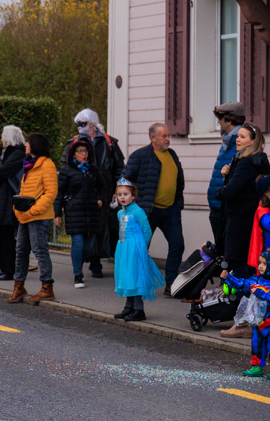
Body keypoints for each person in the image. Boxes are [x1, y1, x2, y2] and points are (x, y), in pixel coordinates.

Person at [122, 123, 185, 295]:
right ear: (153, 137)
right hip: (147, 211)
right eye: (163, 136)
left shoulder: (171, 154)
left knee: (177, 245)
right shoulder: (140, 156)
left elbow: (179, 180)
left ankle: (171, 285)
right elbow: (124, 180)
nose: (167, 139)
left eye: (168, 136)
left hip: (170, 210)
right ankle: (134, 286)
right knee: (140, 248)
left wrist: (178, 202)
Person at [63, 109, 125, 274]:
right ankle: (93, 262)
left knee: (106, 226)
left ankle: (106, 259)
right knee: (88, 227)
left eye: (82, 123)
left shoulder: (108, 142)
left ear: (92, 123)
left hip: (106, 191)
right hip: (83, 192)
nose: (79, 127)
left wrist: (118, 187)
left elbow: (119, 167)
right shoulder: (75, 143)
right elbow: (66, 166)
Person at [7, 132, 58, 304]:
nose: (26, 145)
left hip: (39, 216)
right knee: (21, 251)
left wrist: (34, 210)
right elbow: (24, 192)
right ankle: (19, 287)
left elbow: (50, 193)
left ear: (35, 145)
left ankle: (47, 288)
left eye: (28, 142)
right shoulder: (29, 165)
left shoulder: (47, 165)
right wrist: (17, 209)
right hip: (24, 216)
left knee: (39, 250)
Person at [221, 250, 270, 379]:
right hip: (258, 321)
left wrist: (260, 293)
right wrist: (228, 278)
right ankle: (257, 366)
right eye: (259, 263)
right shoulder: (255, 279)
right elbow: (242, 284)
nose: (261, 266)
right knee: (257, 345)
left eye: (264, 263)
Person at [217, 123, 270, 279]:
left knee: (239, 267)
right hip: (253, 218)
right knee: (250, 265)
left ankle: (242, 302)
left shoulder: (245, 163)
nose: (237, 140)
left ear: (253, 141)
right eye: (237, 136)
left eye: (242, 137)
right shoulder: (260, 162)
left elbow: (231, 191)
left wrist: (220, 190)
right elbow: (247, 188)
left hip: (239, 221)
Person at [112, 178, 165, 321]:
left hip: (135, 248)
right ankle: (128, 307)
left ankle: (138, 309)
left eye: (126, 194)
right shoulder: (120, 213)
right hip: (124, 248)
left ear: (133, 196)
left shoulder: (138, 212)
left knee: (135, 276)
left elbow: (146, 230)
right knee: (126, 276)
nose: (122, 197)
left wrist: (143, 247)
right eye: (119, 194)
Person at [55, 138, 103, 288]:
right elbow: (59, 193)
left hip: (92, 213)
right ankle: (77, 274)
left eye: (86, 151)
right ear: (73, 154)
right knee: (78, 243)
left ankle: (78, 265)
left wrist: (100, 199)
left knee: (88, 247)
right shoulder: (67, 170)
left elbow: (102, 187)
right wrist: (57, 214)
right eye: (80, 151)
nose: (84, 154)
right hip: (74, 212)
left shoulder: (93, 170)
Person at [0, 125, 25, 282]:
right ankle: (4, 268)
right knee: (2, 235)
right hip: (3, 197)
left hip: (10, 198)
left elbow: (0, 172)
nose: (1, 140)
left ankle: (10, 270)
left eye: (3, 136)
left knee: (8, 237)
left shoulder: (16, 154)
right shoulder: (8, 154)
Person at [208, 101, 245, 254]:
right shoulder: (228, 140)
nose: (218, 122)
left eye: (220, 119)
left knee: (228, 254)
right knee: (221, 252)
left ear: (229, 120)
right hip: (217, 206)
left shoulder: (240, 142)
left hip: (227, 208)